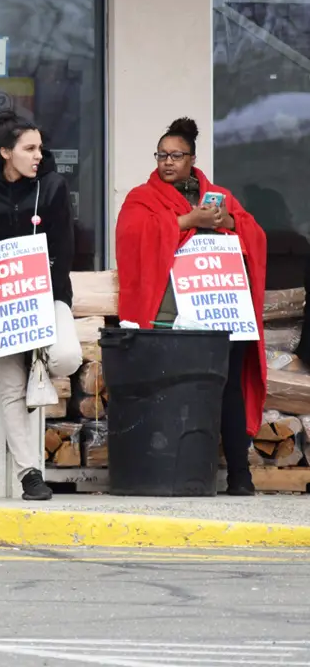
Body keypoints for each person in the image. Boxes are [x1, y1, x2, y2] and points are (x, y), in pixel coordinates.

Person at [115, 117, 267, 496]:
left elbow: (254, 234)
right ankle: (166, 471)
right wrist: (187, 220)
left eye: (176, 155)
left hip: (220, 311)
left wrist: (226, 221)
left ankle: (240, 475)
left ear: (192, 158)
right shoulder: (141, 197)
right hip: (169, 315)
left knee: (228, 389)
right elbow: (133, 235)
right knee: (170, 389)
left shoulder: (220, 196)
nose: (167, 162)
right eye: (161, 155)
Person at [0, 111, 83, 502]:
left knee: (67, 357)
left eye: (40, 149)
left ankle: (38, 365)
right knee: (10, 390)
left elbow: (64, 248)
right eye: (29, 149)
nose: (38, 156)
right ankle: (30, 474)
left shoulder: (54, 187)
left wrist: (55, 301)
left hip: (46, 298)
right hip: (1, 310)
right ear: (6, 152)